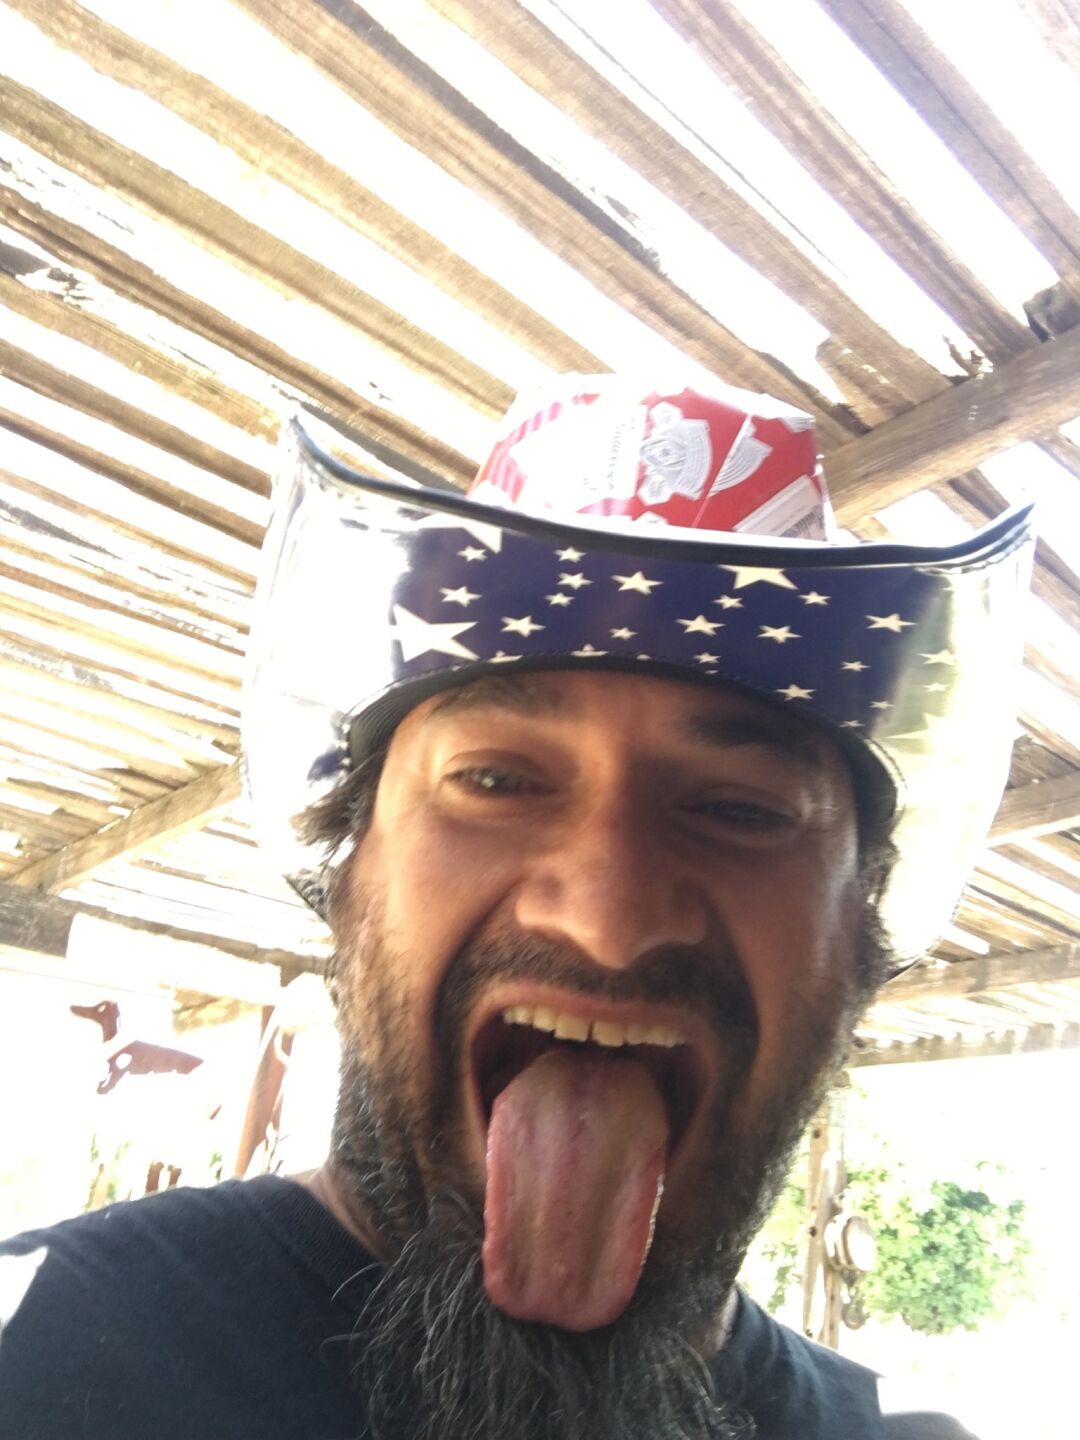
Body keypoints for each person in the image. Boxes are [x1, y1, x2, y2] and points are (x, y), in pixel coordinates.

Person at [0, 377, 1032, 1439]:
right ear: (348, 878)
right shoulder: (32, 1353)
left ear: (861, 932)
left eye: (740, 810)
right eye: (495, 781)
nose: (608, 921)